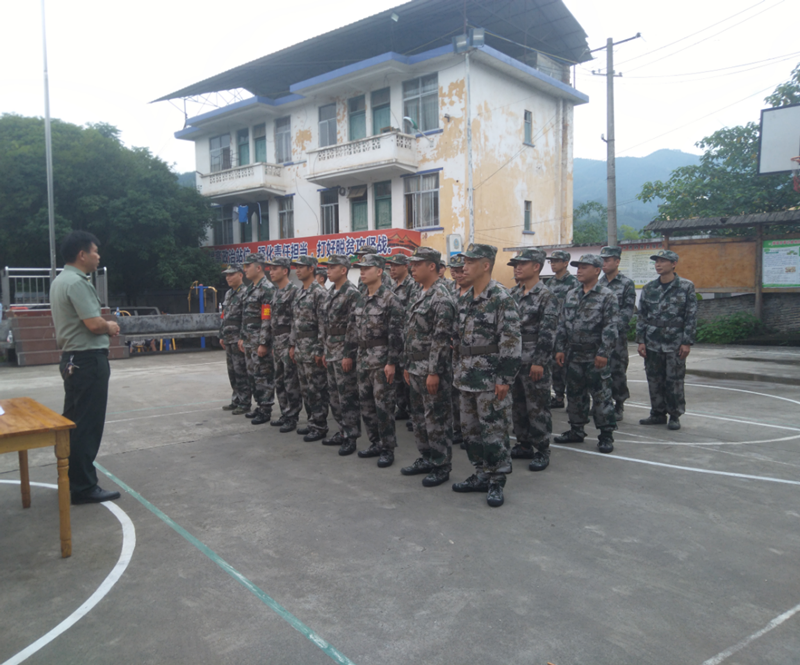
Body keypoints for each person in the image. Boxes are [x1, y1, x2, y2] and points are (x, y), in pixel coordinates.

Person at [50, 230, 121, 504]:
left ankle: (71, 479)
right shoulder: (78, 282)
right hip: (88, 360)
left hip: (72, 359)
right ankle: (83, 486)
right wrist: (110, 325)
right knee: (87, 425)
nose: (98, 256)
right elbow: (93, 323)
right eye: (95, 251)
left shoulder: (60, 280)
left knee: (73, 421)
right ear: (82, 255)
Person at [451, 244, 521, 508]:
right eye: (464, 262)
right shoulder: (465, 299)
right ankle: (480, 473)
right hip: (466, 377)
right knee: (470, 431)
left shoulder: (501, 297)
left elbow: (511, 340)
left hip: (490, 379)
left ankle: (496, 480)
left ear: (486, 265)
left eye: (470, 262)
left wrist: (504, 378)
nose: (464, 266)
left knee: (494, 431)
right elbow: (458, 340)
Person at [401, 247, 457, 487]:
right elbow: (411, 333)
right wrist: (407, 364)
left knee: (436, 419)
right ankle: (426, 457)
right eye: (411, 264)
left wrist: (434, 372)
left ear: (432, 266)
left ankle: (441, 465)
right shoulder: (419, 293)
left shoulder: (441, 297)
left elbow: (441, 340)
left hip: (432, 370)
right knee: (419, 418)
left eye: (417, 264)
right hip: (415, 367)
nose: (412, 268)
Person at [554, 254, 619, 454]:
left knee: (601, 395)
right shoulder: (571, 294)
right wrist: (560, 348)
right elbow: (562, 323)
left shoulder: (607, 295)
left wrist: (604, 352)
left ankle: (606, 435)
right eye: (578, 267)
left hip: (594, 355)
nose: (579, 270)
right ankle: (576, 430)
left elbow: (610, 326)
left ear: (597, 270)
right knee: (575, 394)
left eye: (584, 267)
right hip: (573, 354)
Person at [345, 253, 404, 468]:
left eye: (366, 268)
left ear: (379, 271)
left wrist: (391, 363)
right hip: (363, 359)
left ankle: (388, 448)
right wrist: (348, 354)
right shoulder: (361, 299)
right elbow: (352, 330)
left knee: (383, 406)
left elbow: (396, 335)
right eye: (360, 268)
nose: (362, 272)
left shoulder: (390, 299)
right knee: (366, 405)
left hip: (381, 362)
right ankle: (375, 443)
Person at [508, 249, 559, 471]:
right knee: (518, 405)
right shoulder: (512, 293)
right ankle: (523, 444)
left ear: (536, 267)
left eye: (522, 264)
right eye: (515, 264)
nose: (517, 268)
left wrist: (540, 361)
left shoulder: (546, 296)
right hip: (514, 358)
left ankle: (542, 449)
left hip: (533, 359)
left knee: (537, 406)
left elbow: (548, 332)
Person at [636, 249, 697, 431]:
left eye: (663, 261)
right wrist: (641, 340)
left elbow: (691, 316)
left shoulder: (685, 286)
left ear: (673, 264)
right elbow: (642, 315)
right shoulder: (649, 288)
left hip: (675, 342)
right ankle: (657, 413)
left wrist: (687, 342)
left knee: (674, 380)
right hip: (653, 340)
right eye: (657, 261)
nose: (658, 265)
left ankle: (674, 415)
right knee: (654, 379)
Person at [320, 254, 361, 456]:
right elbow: (325, 324)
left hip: (343, 351)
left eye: (332, 267)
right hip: (330, 351)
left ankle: (351, 436)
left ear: (343, 270)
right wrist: (324, 350)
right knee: (334, 396)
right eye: (327, 267)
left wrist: (349, 354)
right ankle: (341, 431)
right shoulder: (330, 292)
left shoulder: (352, 293)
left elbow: (353, 327)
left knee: (347, 396)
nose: (328, 270)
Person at [289, 255, 329, 441]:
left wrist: (320, 349)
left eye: (301, 267)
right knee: (305, 389)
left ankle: (320, 425)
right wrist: (292, 344)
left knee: (316, 389)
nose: (297, 270)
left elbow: (323, 324)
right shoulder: (299, 292)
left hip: (313, 349)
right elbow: (294, 322)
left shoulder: (319, 292)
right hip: (300, 349)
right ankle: (312, 421)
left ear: (311, 269)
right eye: (296, 267)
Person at [599, 246, 637, 421]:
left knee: (617, 370)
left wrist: (612, 329)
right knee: (599, 371)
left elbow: (627, 311)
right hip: (599, 336)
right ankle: (601, 402)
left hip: (617, 337)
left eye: (607, 260)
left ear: (617, 261)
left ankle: (619, 404)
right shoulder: (599, 283)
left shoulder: (626, 283)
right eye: (603, 260)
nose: (604, 263)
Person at [238, 254, 276, 425]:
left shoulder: (267, 288)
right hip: (249, 340)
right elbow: (245, 316)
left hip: (259, 341)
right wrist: (242, 337)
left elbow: (267, 318)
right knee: (252, 375)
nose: (245, 269)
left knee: (263, 375)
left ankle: (266, 409)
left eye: (248, 266)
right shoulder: (249, 289)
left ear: (258, 268)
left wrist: (263, 342)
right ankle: (260, 406)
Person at [266, 257, 302, 432]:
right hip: (277, 342)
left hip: (288, 341)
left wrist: (292, 344)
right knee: (279, 380)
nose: (271, 272)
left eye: (275, 269)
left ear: (285, 271)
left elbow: (296, 320)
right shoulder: (276, 292)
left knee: (290, 381)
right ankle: (284, 413)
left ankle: (292, 416)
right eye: (270, 269)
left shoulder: (294, 292)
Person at [546, 250, 579, 409]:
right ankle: (558, 397)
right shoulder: (549, 283)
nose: (553, 264)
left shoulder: (574, 283)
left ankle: (573, 400)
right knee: (554, 367)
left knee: (568, 367)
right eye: (551, 261)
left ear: (565, 263)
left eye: (556, 261)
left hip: (566, 331)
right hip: (551, 330)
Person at [385, 253, 417, 421]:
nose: (392, 269)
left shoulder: (412, 286)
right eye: (391, 266)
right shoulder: (392, 287)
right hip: (394, 337)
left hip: (406, 337)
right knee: (397, 375)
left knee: (407, 376)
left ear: (406, 267)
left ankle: (412, 412)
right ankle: (402, 406)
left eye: (396, 266)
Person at [218, 264, 251, 414]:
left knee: (240, 371)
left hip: (238, 339)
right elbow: (224, 316)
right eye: (227, 275)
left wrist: (243, 337)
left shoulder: (246, 293)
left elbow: (246, 317)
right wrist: (221, 335)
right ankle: (236, 399)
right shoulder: (228, 294)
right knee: (232, 372)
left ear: (240, 275)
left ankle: (244, 403)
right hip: (228, 338)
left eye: (231, 274)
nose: (228, 278)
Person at [447, 255, 468, 449]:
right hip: (454, 353)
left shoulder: (475, 294)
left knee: (469, 395)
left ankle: (470, 433)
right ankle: (459, 430)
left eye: (462, 270)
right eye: (455, 270)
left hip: (471, 354)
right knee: (455, 393)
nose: (458, 274)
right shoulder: (452, 294)